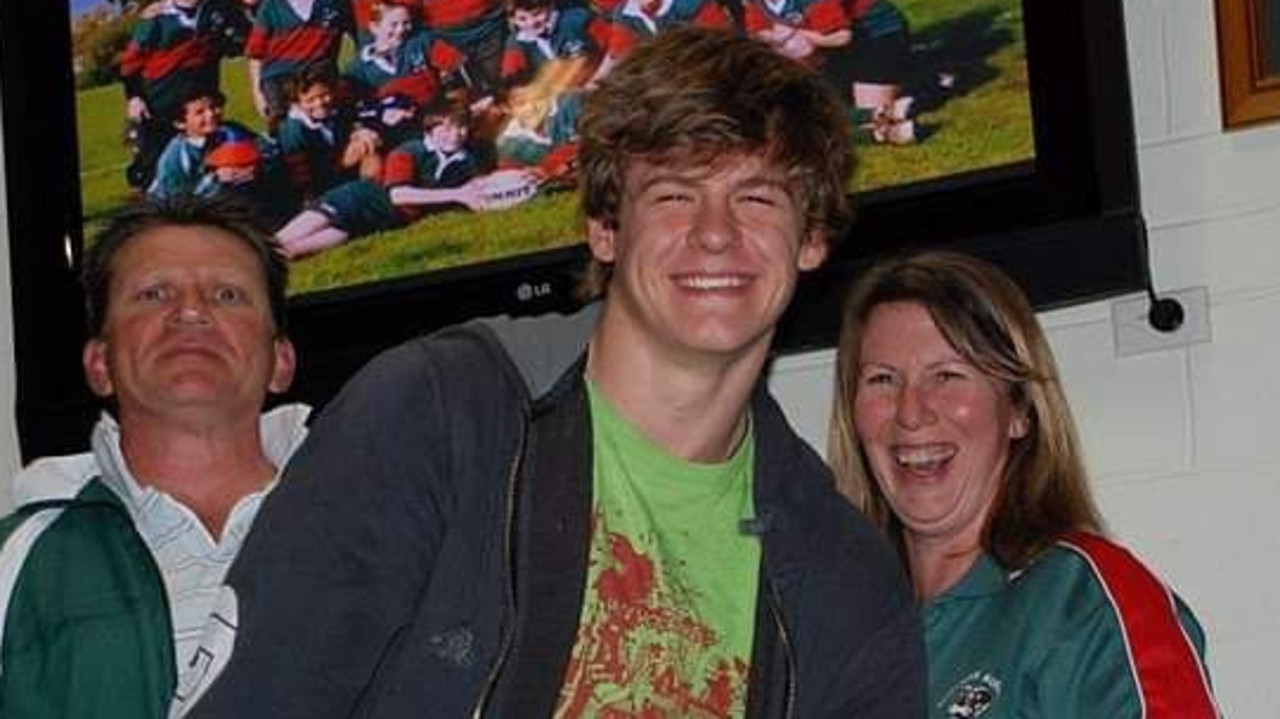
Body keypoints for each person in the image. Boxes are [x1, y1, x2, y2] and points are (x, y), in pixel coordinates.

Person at [182, 26, 924, 718]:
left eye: (757, 197)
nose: (715, 233)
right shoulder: (437, 415)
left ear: (814, 238)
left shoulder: (844, 574)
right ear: (604, 227)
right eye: (673, 194)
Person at [827, 250, 1221, 718]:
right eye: (883, 380)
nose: (911, 412)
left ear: (1018, 411)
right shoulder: (833, 634)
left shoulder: (1081, 603)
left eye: (948, 375)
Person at [0, 196, 309, 717]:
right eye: (153, 294)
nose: (190, 312)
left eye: (227, 294)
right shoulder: (16, 561)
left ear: (282, 361)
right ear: (99, 364)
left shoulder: (383, 520)